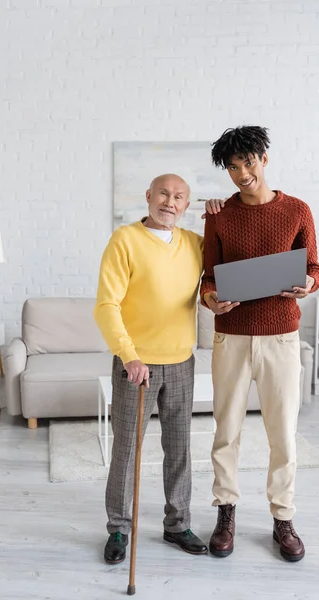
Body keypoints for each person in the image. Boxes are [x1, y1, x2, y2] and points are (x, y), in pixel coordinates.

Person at [200, 126, 319, 562]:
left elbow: (314, 266)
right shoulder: (219, 215)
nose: (241, 173)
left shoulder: (298, 210)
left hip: (281, 336)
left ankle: (283, 518)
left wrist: (308, 282)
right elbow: (208, 277)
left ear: (264, 159)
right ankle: (225, 511)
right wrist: (212, 299)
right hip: (231, 337)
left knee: (283, 435)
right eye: (232, 167)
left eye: (248, 162)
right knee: (226, 431)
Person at [94, 173, 209, 564]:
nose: (170, 201)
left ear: (186, 206)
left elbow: (222, 274)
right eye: (163, 193)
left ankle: (177, 524)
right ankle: (119, 529)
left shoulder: (195, 244)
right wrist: (129, 355)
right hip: (136, 365)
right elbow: (106, 305)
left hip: (181, 362)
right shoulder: (124, 240)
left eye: (179, 196)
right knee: (127, 449)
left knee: (179, 449)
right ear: (148, 196)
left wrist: (223, 213)